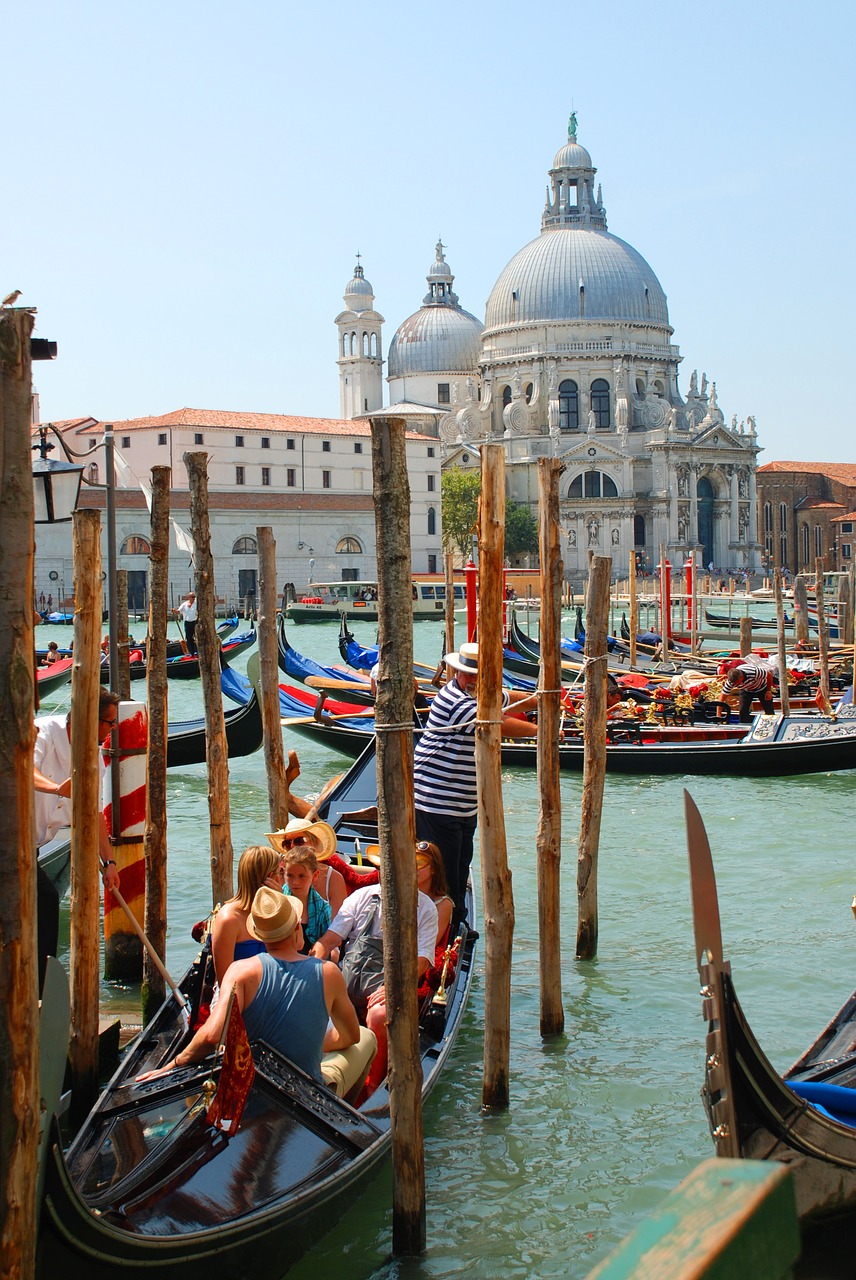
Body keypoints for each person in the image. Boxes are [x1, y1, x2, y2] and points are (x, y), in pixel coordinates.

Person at [138, 888, 369, 1088]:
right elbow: (350, 1035)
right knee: (367, 1038)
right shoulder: (329, 972)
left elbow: (212, 1036)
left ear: (259, 935)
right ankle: (340, 1105)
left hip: (251, 1086)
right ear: (296, 926)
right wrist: (312, 1042)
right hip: (303, 1091)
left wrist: (174, 1063)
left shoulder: (240, 972)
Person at [413, 642, 538, 922]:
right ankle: (447, 925)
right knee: (444, 873)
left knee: (460, 865)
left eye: (478, 674)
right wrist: (540, 731)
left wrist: (538, 699)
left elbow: (506, 697)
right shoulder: (455, 701)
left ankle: (456, 918)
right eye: (467, 674)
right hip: (436, 802)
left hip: (464, 806)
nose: (472, 679)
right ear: (456, 672)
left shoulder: (480, 692)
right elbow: (495, 720)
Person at [311, 873, 437, 1096]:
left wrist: (392, 987)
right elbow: (330, 938)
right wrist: (314, 964)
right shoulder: (362, 897)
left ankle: (370, 1086)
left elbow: (422, 962)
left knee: (379, 1016)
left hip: (391, 983)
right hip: (349, 978)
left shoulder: (425, 908)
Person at [33, 689, 121, 990]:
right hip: (10, 842)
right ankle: (39, 989)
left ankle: (38, 988)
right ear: (88, 719)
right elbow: (25, 769)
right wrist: (58, 788)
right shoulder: (43, 732)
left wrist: (109, 862)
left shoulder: (93, 755)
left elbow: (93, 812)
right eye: (109, 723)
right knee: (44, 901)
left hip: (32, 847)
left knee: (42, 904)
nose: (112, 730)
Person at [210, 844, 285, 985]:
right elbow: (225, 980)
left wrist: (281, 904)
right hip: (239, 994)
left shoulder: (277, 909)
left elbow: (298, 945)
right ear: (270, 877)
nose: (283, 878)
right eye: (280, 872)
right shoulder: (229, 919)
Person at [267, 817, 347, 919]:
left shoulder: (333, 879)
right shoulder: (277, 876)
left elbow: (338, 926)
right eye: (287, 843)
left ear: (314, 842)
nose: (292, 846)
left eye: (299, 841)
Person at [281, 844, 332, 952]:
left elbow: (329, 943)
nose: (295, 882)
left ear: (315, 875)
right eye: (290, 876)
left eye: (302, 876)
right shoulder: (279, 900)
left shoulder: (323, 908)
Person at [718, 656, 775, 723]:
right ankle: (744, 725)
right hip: (746, 690)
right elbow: (721, 699)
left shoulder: (754, 672)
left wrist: (768, 691)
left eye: (737, 683)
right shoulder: (731, 682)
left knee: (768, 709)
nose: (736, 685)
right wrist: (718, 715)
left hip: (761, 687)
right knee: (742, 711)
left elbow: (769, 675)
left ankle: (772, 723)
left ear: (741, 677)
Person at [174, 590, 198, 655]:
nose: (193, 598)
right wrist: (174, 611)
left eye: (194, 597)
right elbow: (179, 611)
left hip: (195, 622)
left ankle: (198, 651)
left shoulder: (197, 604)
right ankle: (191, 653)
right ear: (189, 597)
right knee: (189, 638)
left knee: (197, 637)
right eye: (192, 597)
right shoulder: (184, 604)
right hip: (187, 623)